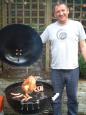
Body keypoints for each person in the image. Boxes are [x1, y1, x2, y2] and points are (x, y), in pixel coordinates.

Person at [40, 1, 86, 115]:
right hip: (56, 70)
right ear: (55, 14)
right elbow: (37, 42)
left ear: (68, 11)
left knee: (73, 99)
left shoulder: (77, 25)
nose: (61, 13)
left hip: (73, 70)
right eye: (58, 11)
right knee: (56, 98)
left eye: (63, 10)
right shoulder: (50, 28)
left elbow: (83, 45)